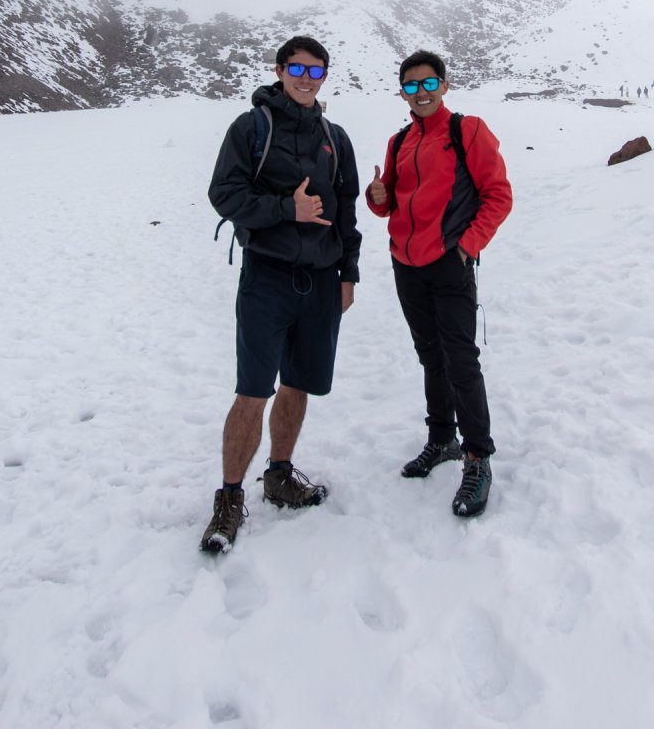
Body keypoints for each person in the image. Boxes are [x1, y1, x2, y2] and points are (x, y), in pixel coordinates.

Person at [201, 36, 361, 554]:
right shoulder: (251, 128)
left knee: (297, 384)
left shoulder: (335, 138)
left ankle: (279, 475)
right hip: (266, 279)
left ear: (324, 76)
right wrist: (285, 210)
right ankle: (229, 498)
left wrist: (349, 274)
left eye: (315, 71)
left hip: (322, 281)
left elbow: (347, 212)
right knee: (253, 391)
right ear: (279, 70)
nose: (305, 79)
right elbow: (223, 194)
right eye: (297, 69)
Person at [364, 50, 512, 517]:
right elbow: (389, 203)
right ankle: (442, 439)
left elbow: (498, 195)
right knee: (430, 356)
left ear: (444, 86)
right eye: (411, 85)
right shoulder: (399, 141)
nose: (421, 92)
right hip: (406, 265)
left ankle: (477, 456)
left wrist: (467, 246)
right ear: (402, 92)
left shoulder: (467, 131)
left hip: (449, 263)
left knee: (460, 360)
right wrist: (376, 196)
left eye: (429, 83)